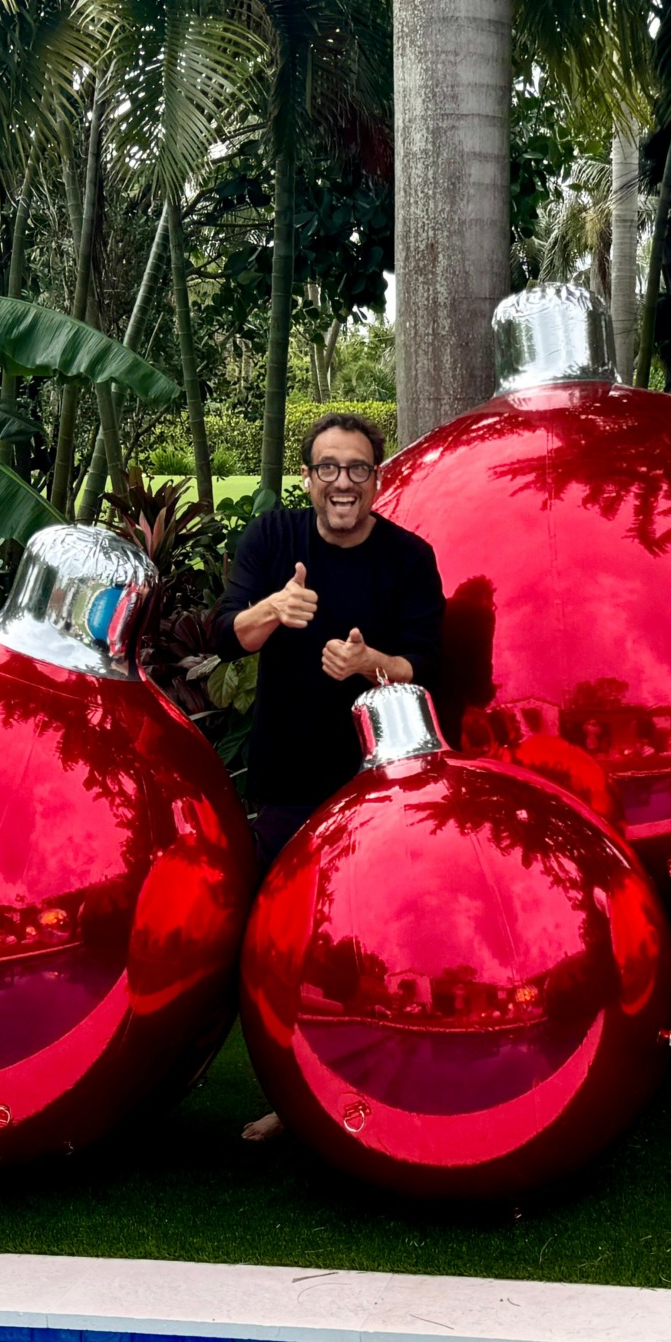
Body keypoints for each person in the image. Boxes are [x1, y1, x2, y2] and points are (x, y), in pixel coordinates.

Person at [212, 412, 444, 1143]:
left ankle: (382, 1083)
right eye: (329, 468)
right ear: (309, 478)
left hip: (379, 789)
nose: (344, 482)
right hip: (286, 777)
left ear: (377, 479)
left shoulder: (408, 558)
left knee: (373, 945)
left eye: (358, 468)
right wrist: (274, 608)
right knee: (283, 946)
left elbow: (423, 666)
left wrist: (369, 663)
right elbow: (228, 633)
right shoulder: (273, 539)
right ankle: (292, 1094)